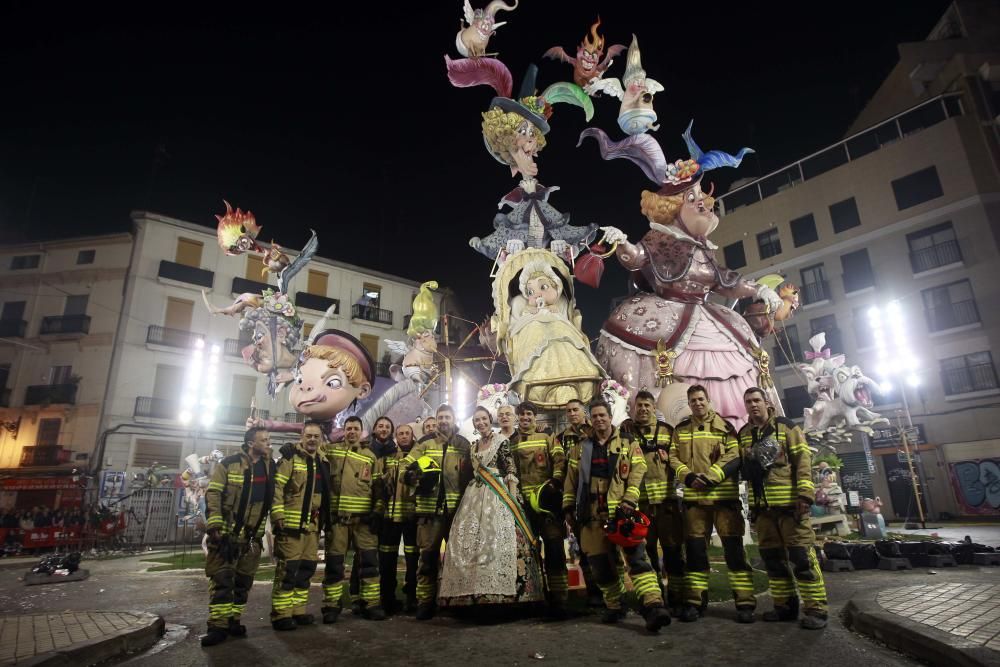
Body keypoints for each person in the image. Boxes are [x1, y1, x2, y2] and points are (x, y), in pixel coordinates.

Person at [563, 399, 671, 632]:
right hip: (591, 514)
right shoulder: (580, 447)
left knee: (637, 560)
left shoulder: (628, 442)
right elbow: (571, 480)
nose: (599, 419)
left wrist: (630, 500)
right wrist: (569, 508)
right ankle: (615, 606)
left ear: (610, 416)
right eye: (595, 416)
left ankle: (653, 606)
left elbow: (638, 469)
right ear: (590, 419)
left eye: (603, 415)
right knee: (601, 565)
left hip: (623, 512)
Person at [739, 387, 827, 629]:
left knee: (802, 559)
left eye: (757, 400)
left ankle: (816, 609)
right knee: (773, 560)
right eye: (748, 402)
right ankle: (784, 606)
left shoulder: (787, 427)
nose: (753, 405)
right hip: (763, 511)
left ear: (767, 403)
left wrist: (805, 496)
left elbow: (802, 461)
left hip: (791, 508)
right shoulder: (744, 434)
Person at [438, 406, 545, 607]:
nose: (481, 423)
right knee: (470, 540)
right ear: (474, 424)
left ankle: (505, 594)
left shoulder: (501, 442)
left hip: (498, 494)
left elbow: (511, 470)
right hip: (474, 496)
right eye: (477, 420)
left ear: (489, 420)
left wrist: (512, 501)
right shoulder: (472, 446)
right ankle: (471, 593)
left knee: (498, 538)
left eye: (484, 419)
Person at [670, 385, 754, 623]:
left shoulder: (725, 428)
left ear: (708, 400)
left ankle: (745, 603)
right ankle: (695, 602)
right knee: (696, 554)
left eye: (700, 399)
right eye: (693, 400)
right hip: (694, 503)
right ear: (689, 403)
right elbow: (673, 457)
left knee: (735, 553)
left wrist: (711, 476)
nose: (697, 403)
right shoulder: (681, 429)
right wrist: (687, 476)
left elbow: (734, 455)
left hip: (723, 500)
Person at [201, 426, 276, 647]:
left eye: (269, 439)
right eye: (264, 440)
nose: (268, 443)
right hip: (227, 536)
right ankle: (217, 626)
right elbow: (213, 492)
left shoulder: (270, 466)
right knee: (222, 581)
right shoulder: (229, 464)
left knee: (243, 583)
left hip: (252, 539)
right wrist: (214, 521)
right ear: (251, 443)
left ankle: (234, 620)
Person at [401, 404, 472, 620]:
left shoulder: (463, 444)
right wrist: (413, 477)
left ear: (453, 419)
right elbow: (405, 469)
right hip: (429, 512)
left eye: (447, 417)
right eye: (440, 417)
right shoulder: (424, 443)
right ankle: (425, 602)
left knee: (458, 559)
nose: (443, 421)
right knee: (428, 559)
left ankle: (457, 601)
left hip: (456, 513)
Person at [321, 416, 386, 623]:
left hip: (364, 522)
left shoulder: (370, 456)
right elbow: (311, 447)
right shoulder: (331, 450)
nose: (351, 432)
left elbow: (378, 487)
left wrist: (377, 511)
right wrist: (293, 448)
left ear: (361, 432)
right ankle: (331, 606)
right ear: (344, 430)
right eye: (348, 429)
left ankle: (371, 604)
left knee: (369, 565)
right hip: (338, 520)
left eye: (355, 429)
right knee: (334, 565)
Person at [507, 401, 568, 617]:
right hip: (523, 507)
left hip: (547, 505)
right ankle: (535, 597)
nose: (525, 418)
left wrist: (555, 484)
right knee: (528, 554)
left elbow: (560, 462)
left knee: (554, 549)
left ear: (535, 417)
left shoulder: (548, 437)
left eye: (529, 414)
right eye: (521, 414)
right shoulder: (511, 442)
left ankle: (560, 599)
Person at [626, 390, 684, 615]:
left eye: (647, 405)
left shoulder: (668, 433)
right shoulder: (626, 433)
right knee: (647, 553)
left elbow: (679, 462)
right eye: (639, 405)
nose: (643, 409)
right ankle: (655, 597)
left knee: (673, 551)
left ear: (653, 408)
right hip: (641, 506)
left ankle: (677, 598)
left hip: (667, 504)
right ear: (634, 408)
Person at [270, 420, 330, 631]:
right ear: (301, 438)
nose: (312, 440)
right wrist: (278, 515)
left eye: (316, 436)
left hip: (312, 528)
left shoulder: (323, 460)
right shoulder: (290, 458)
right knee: (288, 570)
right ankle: (281, 614)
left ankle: (298, 611)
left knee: (306, 570)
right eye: (308, 436)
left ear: (321, 440)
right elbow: (277, 487)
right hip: (290, 526)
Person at [346, 416, 396, 615]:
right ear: (374, 429)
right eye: (380, 426)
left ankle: (383, 598)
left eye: (387, 427)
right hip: (368, 513)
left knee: (380, 559)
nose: (383, 429)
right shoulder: (366, 451)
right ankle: (357, 598)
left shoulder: (397, 452)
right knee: (362, 557)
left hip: (390, 513)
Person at [556, 398, 603, 607]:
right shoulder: (561, 438)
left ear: (584, 411)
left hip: (596, 493)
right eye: (569, 411)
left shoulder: (595, 431)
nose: (572, 413)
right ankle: (593, 592)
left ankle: (609, 591)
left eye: (576, 409)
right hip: (572, 493)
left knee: (602, 546)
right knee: (582, 547)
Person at [380, 423, 420, 613]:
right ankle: (388, 599)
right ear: (396, 437)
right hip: (390, 516)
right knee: (387, 559)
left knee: (413, 560)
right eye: (400, 434)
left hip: (411, 516)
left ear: (413, 436)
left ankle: (411, 598)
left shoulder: (419, 456)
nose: (404, 436)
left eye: (407, 433)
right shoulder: (388, 456)